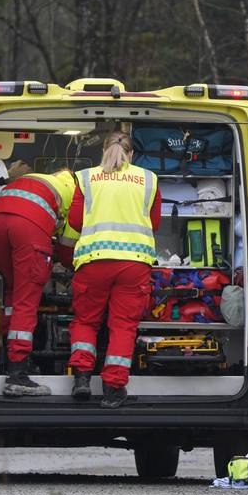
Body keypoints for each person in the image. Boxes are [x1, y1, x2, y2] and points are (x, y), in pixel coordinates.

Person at [65, 130, 162, 408]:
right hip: (134, 264)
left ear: (103, 150)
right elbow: (154, 224)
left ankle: (82, 377)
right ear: (131, 154)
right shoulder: (148, 179)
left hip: (93, 261)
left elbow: (74, 221)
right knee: (122, 326)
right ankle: (113, 389)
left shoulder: (86, 177)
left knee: (85, 321)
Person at [0, 163, 79, 397]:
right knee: (27, 300)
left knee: (13, 293)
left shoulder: (40, 178)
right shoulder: (78, 194)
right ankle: (17, 373)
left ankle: (3, 357)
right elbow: (67, 249)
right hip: (27, 227)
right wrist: (65, 262)